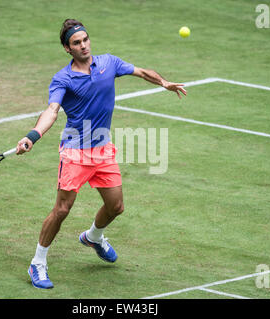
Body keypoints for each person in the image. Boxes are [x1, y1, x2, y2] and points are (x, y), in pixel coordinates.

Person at [16, 19, 187, 289]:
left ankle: (93, 237)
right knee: (62, 210)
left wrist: (164, 83)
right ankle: (38, 263)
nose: (83, 45)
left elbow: (142, 72)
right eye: (76, 42)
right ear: (67, 49)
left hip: (102, 149)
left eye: (85, 39)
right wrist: (32, 136)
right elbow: (51, 110)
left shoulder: (109, 62)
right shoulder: (63, 79)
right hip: (74, 152)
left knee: (116, 206)